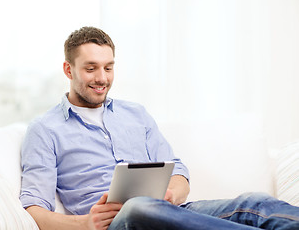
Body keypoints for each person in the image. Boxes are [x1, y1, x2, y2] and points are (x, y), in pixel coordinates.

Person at [20, 26, 299, 230]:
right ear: (68, 70)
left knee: (255, 202)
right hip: (118, 224)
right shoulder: (45, 129)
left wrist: (172, 193)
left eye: (109, 67)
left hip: (170, 212)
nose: (102, 78)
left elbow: (176, 170)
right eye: (91, 68)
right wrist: (85, 223)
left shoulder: (135, 114)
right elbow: (34, 209)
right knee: (137, 207)